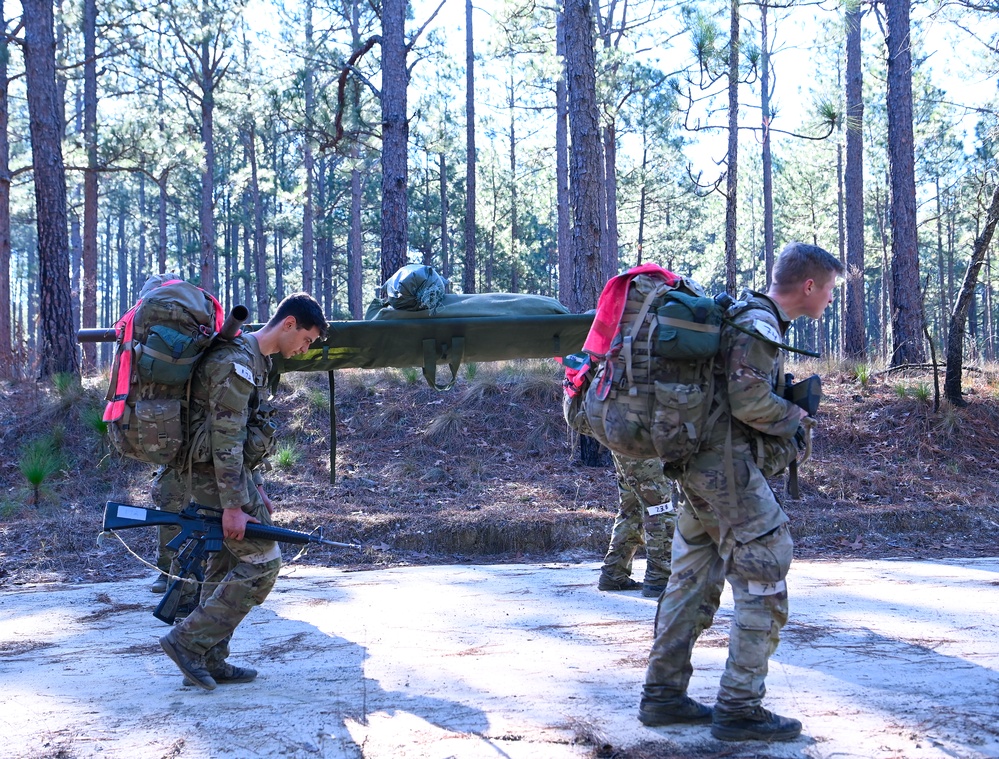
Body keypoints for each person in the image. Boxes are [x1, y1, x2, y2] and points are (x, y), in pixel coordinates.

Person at [638, 242, 843, 742]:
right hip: (723, 470)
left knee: (691, 577)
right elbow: (747, 398)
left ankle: (663, 697)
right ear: (809, 286)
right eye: (831, 290)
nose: (831, 301)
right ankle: (740, 707)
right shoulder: (761, 324)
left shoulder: (747, 315)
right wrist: (795, 416)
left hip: (699, 467)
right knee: (766, 564)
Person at [159, 292, 328, 691]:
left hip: (227, 477)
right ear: (288, 324)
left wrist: (258, 487)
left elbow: (246, 434)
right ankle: (186, 642)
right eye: (306, 340)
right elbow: (226, 438)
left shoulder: (257, 361)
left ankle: (209, 657)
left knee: (223, 566)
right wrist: (234, 505)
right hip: (216, 479)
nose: (304, 350)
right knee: (263, 564)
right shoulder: (236, 362)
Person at [597, 454, 674, 598]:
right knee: (660, 508)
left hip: (622, 444)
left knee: (632, 510)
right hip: (640, 447)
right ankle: (660, 577)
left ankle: (614, 573)